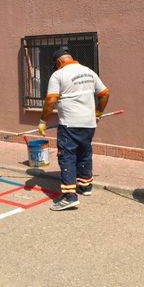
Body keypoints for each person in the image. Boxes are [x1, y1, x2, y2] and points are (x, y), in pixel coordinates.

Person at [39, 47, 110, 211]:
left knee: (67, 157)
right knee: (84, 152)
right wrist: (98, 112)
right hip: (89, 123)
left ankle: (69, 196)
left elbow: (50, 101)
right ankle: (85, 186)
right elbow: (105, 94)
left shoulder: (58, 75)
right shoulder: (88, 71)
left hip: (70, 124)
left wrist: (43, 120)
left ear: (58, 62)